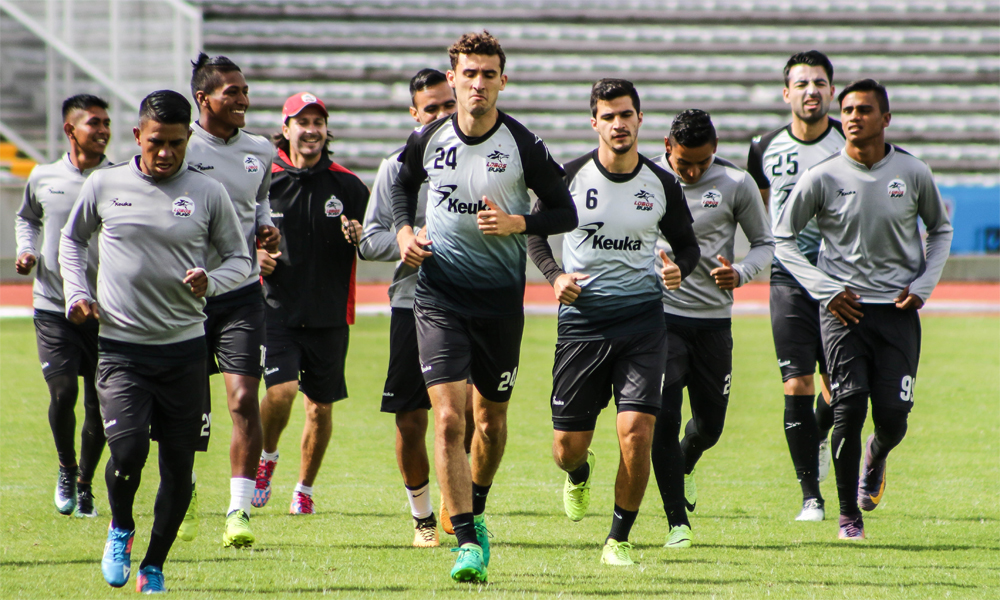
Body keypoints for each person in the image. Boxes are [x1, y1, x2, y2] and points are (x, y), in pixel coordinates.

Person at [391, 31, 577, 582]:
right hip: (440, 296)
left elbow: (564, 212)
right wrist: (403, 233)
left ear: (502, 79)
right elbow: (402, 185)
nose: (477, 84)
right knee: (447, 418)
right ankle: (468, 543)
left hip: (500, 304)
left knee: (489, 423)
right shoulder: (427, 138)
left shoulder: (522, 144)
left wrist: (519, 222)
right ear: (452, 78)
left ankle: (476, 501)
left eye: (487, 74)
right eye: (468, 74)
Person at [59, 90, 252, 592]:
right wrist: (77, 291)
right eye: (156, 142)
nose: (165, 152)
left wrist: (212, 279)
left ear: (189, 138)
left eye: (176, 143)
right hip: (122, 350)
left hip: (185, 350)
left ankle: (154, 565)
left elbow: (240, 260)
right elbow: (72, 240)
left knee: (178, 468)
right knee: (126, 453)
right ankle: (120, 528)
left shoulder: (208, 194)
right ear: (137, 136)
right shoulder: (106, 184)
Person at [527, 80, 700, 566]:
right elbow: (536, 236)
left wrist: (678, 268)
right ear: (594, 123)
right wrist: (555, 276)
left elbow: (687, 245)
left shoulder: (661, 183)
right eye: (608, 116)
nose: (618, 124)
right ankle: (579, 475)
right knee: (566, 449)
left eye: (626, 115)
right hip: (582, 326)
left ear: (640, 120)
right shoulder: (569, 178)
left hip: (643, 325)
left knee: (638, 430)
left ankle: (618, 539)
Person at [774, 79, 953, 540]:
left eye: (865, 110)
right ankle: (848, 515)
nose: (852, 116)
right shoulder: (822, 175)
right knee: (847, 410)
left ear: (886, 118)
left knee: (893, 418)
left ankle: (877, 453)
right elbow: (783, 238)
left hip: (896, 311)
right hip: (843, 312)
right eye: (848, 109)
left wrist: (924, 286)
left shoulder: (912, 173)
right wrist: (823, 288)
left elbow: (940, 230)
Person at [358, 68, 474, 548]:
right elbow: (370, 239)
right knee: (411, 419)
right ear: (414, 114)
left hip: (471, 301)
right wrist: (404, 243)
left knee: (463, 415)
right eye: (432, 109)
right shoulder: (395, 167)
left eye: (449, 105)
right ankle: (422, 516)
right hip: (411, 303)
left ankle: (457, 497)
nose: (442, 115)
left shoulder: (479, 159)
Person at [650, 109, 774, 548]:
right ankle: (676, 523)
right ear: (668, 147)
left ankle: (686, 462)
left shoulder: (737, 184)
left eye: (703, 162)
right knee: (662, 416)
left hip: (714, 323)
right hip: (661, 317)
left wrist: (740, 273)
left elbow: (765, 243)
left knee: (710, 426)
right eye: (685, 163)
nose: (694, 171)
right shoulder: (645, 181)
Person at [179, 53, 281, 549]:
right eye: (232, 93)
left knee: (243, 399)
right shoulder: (180, 145)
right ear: (204, 99)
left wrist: (265, 226)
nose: (243, 100)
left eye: (244, 91)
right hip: (183, 297)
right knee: (185, 412)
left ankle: (238, 510)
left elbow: (259, 199)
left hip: (240, 292)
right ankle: (185, 490)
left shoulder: (260, 150)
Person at [252, 92, 369, 517]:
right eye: (302, 122)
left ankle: (304, 488)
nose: (311, 129)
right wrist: (254, 257)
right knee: (280, 393)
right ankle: (266, 457)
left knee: (319, 409)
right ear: (285, 130)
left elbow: (374, 242)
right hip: (275, 309)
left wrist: (361, 236)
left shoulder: (349, 185)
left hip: (329, 314)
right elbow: (231, 234)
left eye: (318, 122)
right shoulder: (263, 181)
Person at [747, 50, 845, 521]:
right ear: (786, 93)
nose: (811, 91)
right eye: (801, 83)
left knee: (841, 388)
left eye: (819, 83)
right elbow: (762, 208)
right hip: (788, 277)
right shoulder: (763, 146)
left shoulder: (850, 141)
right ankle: (811, 496)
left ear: (831, 90)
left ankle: (818, 435)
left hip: (841, 279)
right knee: (797, 381)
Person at [15, 94, 112, 518]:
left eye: (107, 122)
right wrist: (27, 250)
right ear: (71, 130)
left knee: (98, 404)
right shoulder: (43, 176)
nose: (104, 130)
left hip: (104, 309)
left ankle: (87, 483)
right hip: (53, 305)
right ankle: (66, 467)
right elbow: (27, 218)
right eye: (95, 123)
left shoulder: (119, 179)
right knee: (63, 391)